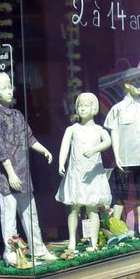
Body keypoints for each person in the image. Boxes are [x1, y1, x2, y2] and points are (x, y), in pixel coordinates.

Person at [0, 72, 57, 265]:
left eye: (10, 86)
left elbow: (29, 138)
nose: (9, 91)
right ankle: (11, 253)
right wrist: (10, 174)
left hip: (23, 174)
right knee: (8, 217)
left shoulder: (17, 115)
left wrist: (44, 151)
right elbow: (0, 149)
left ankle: (39, 250)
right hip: (7, 177)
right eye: (4, 88)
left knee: (30, 214)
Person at [103, 67, 140, 235]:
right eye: (136, 81)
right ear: (127, 84)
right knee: (119, 197)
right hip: (123, 160)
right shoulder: (117, 109)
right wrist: (117, 156)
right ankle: (115, 233)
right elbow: (113, 132)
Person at [56, 92, 112, 253]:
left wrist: (95, 149)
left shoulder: (99, 129)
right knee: (74, 207)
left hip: (93, 174)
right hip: (76, 173)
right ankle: (72, 241)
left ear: (93, 107)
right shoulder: (72, 129)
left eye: (86, 105)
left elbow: (107, 142)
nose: (82, 108)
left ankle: (93, 242)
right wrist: (61, 163)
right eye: (80, 105)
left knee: (92, 207)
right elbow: (64, 146)